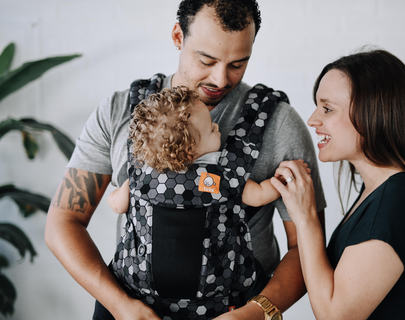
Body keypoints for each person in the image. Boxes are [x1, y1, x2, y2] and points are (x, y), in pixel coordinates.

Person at [45, 1, 326, 319]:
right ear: (178, 37)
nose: (220, 79)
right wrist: (121, 306)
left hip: (239, 310)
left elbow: (307, 245)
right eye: (207, 60)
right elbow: (63, 222)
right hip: (126, 308)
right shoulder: (119, 111)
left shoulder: (278, 123)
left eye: (238, 64)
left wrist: (255, 313)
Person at [270, 49, 405, 319]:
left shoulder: (398, 202)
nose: (313, 120)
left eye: (327, 108)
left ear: (373, 113)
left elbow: (336, 315)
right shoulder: (381, 192)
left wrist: (306, 218)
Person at [108, 86, 307, 214]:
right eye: (212, 129)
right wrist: (284, 180)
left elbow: (117, 204)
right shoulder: (216, 178)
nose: (218, 127)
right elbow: (259, 195)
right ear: (189, 153)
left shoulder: (144, 177)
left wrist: (115, 194)